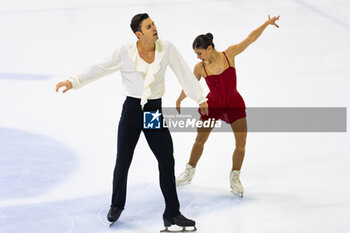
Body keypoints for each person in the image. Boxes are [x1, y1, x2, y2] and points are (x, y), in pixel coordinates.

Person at [56, 13, 208, 231]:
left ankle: (172, 213)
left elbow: (184, 73)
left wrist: (200, 98)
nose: (155, 27)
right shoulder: (125, 52)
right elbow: (100, 67)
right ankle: (117, 204)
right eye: (149, 26)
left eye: (153, 24)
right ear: (139, 33)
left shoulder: (167, 49)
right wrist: (74, 81)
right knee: (123, 160)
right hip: (132, 112)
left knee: (166, 160)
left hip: (153, 112)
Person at [175, 15, 280, 197]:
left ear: (209, 48)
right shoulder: (200, 68)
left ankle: (235, 177)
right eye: (196, 54)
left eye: (199, 53)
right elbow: (191, 86)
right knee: (200, 140)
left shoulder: (229, 54)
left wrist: (266, 24)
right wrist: (179, 99)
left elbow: (250, 39)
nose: (198, 57)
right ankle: (189, 172)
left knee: (241, 144)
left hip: (234, 103)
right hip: (212, 105)